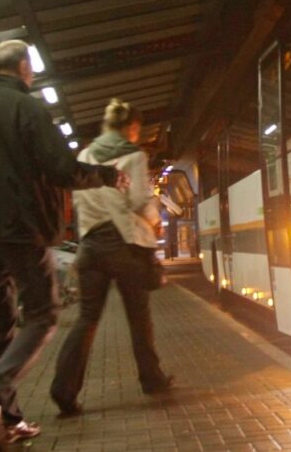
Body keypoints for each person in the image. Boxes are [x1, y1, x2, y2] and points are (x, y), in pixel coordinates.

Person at [0, 39, 125, 452]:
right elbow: (61, 169)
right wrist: (107, 176)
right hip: (21, 228)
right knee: (43, 313)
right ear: (24, 67)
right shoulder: (27, 108)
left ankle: (6, 419)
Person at [51, 99, 173, 416]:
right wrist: (155, 219)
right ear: (131, 127)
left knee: (87, 318)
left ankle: (64, 390)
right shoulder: (134, 155)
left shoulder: (85, 156)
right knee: (138, 317)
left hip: (91, 244)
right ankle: (152, 379)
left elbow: (79, 200)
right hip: (125, 245)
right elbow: (138, 200)